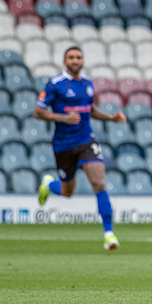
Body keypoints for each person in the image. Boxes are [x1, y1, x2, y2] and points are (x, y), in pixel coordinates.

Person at [34, 46, 127, 251]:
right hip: (63, 144)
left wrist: (111, 118)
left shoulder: (87, 83)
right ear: (64, 61)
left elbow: (90, 109)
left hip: (86, 140)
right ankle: (49, 185)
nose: (75, 60)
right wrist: (63, 118)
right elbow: (38, 112)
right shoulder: (55, 84)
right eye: (71, 57)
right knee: (68, 192)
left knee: (99, 183)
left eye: (78, 57)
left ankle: (109, 234)